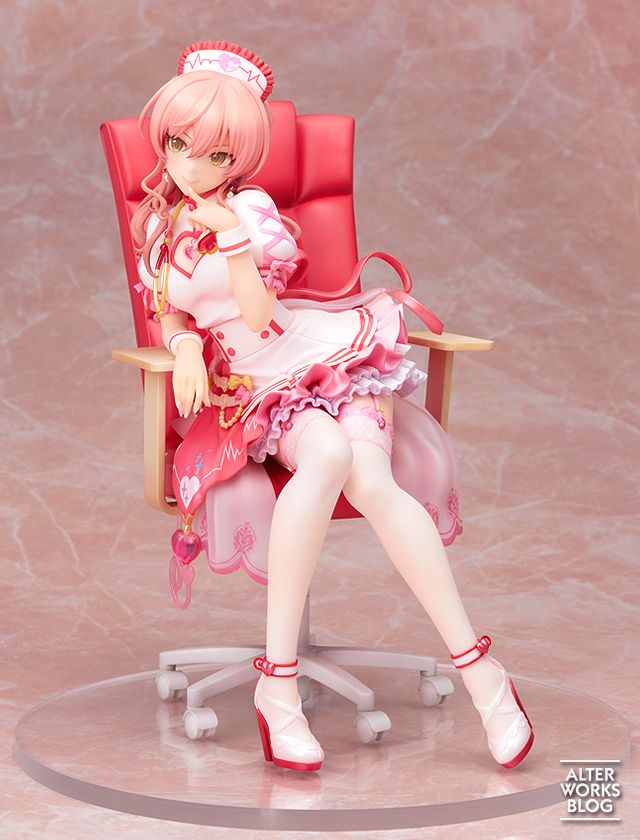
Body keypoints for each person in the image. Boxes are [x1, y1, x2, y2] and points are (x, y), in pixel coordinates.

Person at [130, 40, 533, 773]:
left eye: (214, 154)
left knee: (371, 481)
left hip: (323, 354)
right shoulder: (162, 226)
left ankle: (482, 673)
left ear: (238, 159)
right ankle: (277, 686)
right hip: (259, 388)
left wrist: (232, 239)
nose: (191, 166)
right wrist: (184, 348)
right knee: (325, 457)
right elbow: (171, 310)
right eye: (179, 145)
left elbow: (259, 316)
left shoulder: (250, 210)